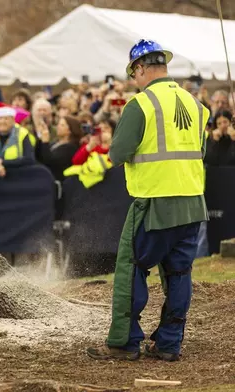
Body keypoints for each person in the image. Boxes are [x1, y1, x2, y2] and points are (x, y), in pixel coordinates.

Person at [87, 39, 209, 362]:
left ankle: (124, 341)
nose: (133, 80)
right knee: (180, 272)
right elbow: (202, 152)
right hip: (194, 202)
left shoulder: (140, 105)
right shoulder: (197, 105)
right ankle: (169, 344)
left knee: (131, 267)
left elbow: (116, 154)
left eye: (133, 74)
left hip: (153, 203)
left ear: (140, 69)